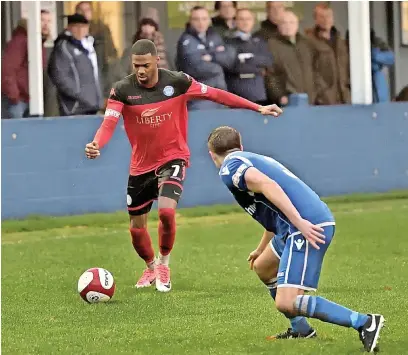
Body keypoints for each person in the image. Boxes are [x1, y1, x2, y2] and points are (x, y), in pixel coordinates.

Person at [84, 39, 283, 293]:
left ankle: (164, 264)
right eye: (136, 66)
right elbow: (109, 122)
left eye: (145, 65)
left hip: (173, 158)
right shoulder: (122, 90)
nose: (141, 71)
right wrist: (96, 143)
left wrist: (257, 107)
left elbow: (217, 94)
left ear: (157, 60)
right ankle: (150, 266)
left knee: (166, 212)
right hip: (141, 166)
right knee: (136, 229)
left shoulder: (177, 82)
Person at [206, 126, 385, 353]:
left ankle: (364, 322)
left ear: (212, 154)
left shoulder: (229, 168)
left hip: (306, 226)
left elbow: (268, 186)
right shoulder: (249, 158)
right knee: (263, 267)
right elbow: (273, 208)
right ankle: (301, 329)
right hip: (295, 226)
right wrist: (261, 247)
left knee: (286, 302)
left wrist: (299, 222)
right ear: (240, 146)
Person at [48, 13, 103, 116]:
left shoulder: (90, 46)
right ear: (69, 27)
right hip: (75, 107)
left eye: (83, 27)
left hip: (92, 105)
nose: (80, 30)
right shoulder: (64, 47)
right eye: (76, 26)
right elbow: (59, 76)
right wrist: (80, 94)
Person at [1, 11, 51, 118]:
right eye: (42, 20)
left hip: (31, 101)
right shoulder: (20, 41)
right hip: (18, 102)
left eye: (48, 21)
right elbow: (7, 70)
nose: (46, 24)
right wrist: (15, 97)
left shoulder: (37, 42)